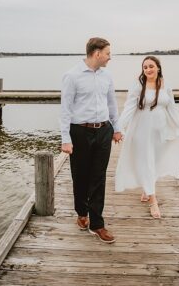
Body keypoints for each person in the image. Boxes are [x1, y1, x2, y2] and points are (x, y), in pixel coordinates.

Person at [60, 37, 120, 243]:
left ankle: (97, 224)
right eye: (108, 53)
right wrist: (65, 139)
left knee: (99, 177)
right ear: (96, 53)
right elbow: (65, 110)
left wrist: (116, 128)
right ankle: (81, 212)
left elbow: (112, 104)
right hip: (80, 131)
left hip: (103, 130)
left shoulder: (107, 76)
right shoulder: (72, 76)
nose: (110, 57)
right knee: (80, 175)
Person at [114, 56, 179, 218]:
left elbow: (172, 108)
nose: (148, 69)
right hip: (142, 131)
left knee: (154, 161)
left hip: (160, 131)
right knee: (146, 161)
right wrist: (118, 127)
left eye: (151, 66)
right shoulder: (137, 86)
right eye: (145, 67)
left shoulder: (165, 84)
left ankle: (146, 189)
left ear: (158, 68)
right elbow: (128, 108)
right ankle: (153, 201)